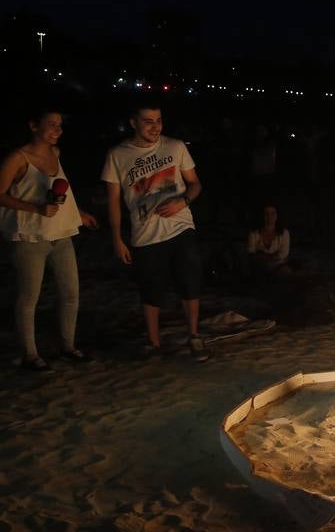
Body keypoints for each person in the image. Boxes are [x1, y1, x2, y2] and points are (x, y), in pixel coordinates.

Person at [102, 102, 209, 361]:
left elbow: (195, 184)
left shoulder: (175, 146)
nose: (155, 126)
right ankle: (154, 342)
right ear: (133, 123)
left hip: (181, 225)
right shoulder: (117, 155)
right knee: (150, 288)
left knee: (189, 280)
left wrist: (182, 201)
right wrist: (117, 239)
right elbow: (113, 202)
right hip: (145, 232)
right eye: (148, 121)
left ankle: (194, 336)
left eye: (158, 120)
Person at [0, 109, 99, 370]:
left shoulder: (55, 154)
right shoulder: (18, 158)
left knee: (70, 293)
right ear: (33, 126)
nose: (58, 130)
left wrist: (79, 213)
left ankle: (68, 346)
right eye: (51, 125)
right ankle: (30, 355)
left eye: (60, 125)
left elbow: (60, 191)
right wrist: (36, 209)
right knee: (29, 297)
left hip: (61, 234)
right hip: (30, 236)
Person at [246, 203, 291, 277]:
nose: (270, 217)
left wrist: (263, 256)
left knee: (286, 272)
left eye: (273, 213)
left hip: (278, 267)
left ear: (277, 216)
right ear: (262, 216)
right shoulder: (254, 233)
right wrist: (270, 258)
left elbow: (284, 254)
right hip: (259, 268)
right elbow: (251, 253)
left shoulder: (284, 233)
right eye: (266, 214)